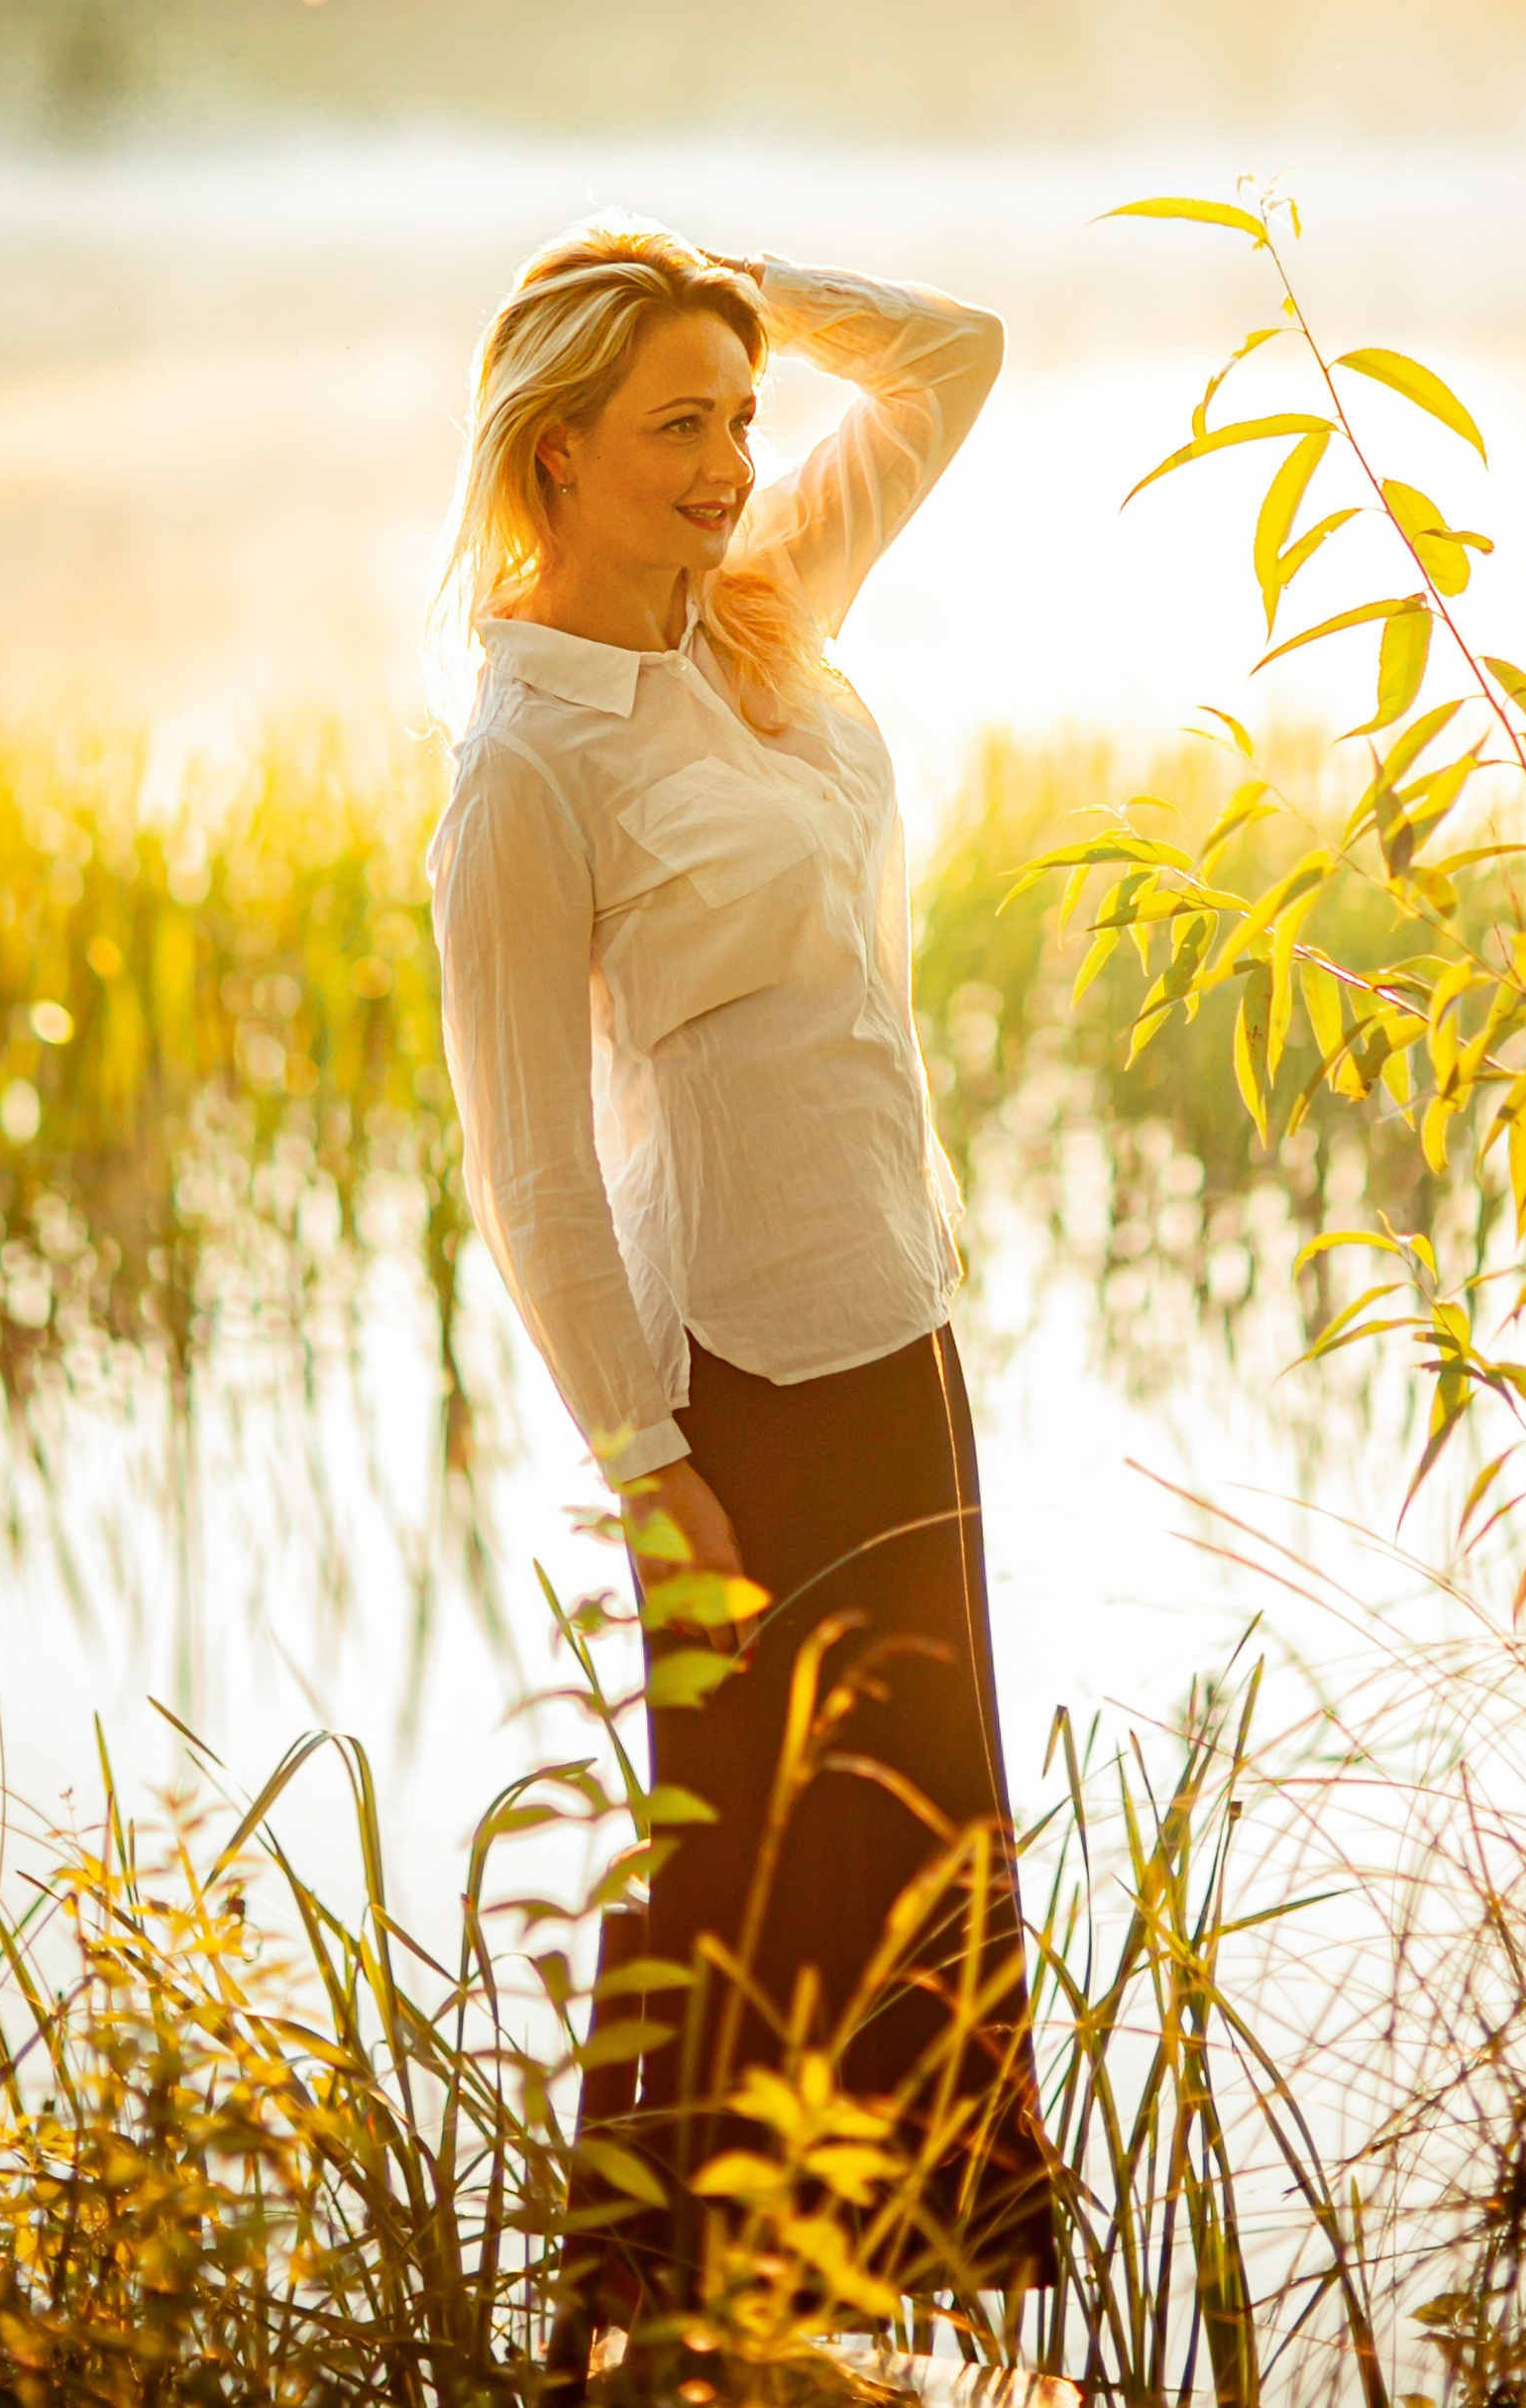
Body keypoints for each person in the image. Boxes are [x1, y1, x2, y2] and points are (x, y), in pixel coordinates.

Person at [426, 222, 1055, 2344]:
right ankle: (650, 2328)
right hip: (733, 1378)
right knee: (735, 1870)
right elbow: (524, 1161)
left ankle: (873, 2323)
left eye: (737, 420)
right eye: (673, 425)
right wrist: (644, 1465)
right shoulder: (528, 758)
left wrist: (730, 282)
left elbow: (955, 354)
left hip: (894, 1311)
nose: (720, 463)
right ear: (555, 458)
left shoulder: (757, 607)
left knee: (915, 1835)